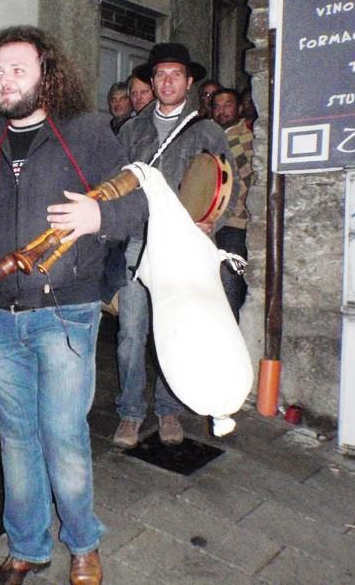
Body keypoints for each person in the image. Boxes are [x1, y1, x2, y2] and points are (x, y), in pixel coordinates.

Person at [0, 25, 146, 585]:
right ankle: (28, 547)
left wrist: (98, 218)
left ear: (46, 74)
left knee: (62, 435)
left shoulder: (85, 133)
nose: (6, 80)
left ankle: (83, 543)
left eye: (19, 68)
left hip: (65, 316)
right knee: (14, 439)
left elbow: (138, 206)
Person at [113, 43, 240, 449]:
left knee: (177, 332)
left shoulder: (208, 131)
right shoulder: (131, 131)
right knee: (131, 333)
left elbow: (228, 186)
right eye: (160, 75)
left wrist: (211, 220)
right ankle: (130, 412)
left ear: (188, 82)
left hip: (184, 250)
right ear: (152, 82)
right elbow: (116, 186)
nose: (167, 82)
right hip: (137, 242)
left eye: (176, 75)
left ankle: (169, 410)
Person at [211, 88, 254, 321]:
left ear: (238, 108)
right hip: (209, 224)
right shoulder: (208, 134)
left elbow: (245, 176)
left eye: (227, 105)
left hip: (235, 223)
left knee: (230, 290)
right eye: (216, 106)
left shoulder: (249, 138)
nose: (221, 111)